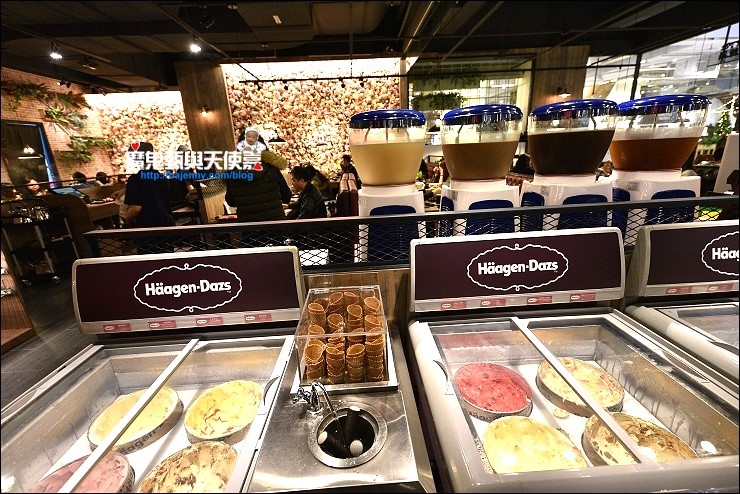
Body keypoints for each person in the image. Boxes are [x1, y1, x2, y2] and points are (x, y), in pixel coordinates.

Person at [110, 142, 175, 253]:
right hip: (167, 224)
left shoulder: (135, 179)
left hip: (148, 228)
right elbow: (151, 190)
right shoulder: (162, 177)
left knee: (150, 260)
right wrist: (125, 190)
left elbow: (136, 208)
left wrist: (126, 217)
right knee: (167, 259)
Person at [225, 147, 292, 246]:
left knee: (255, 255)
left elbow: (231, 201)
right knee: (279, 254)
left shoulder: (232, 173)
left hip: (249, 229)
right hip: (275, 226)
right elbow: (286, 197)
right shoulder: (271, 169)